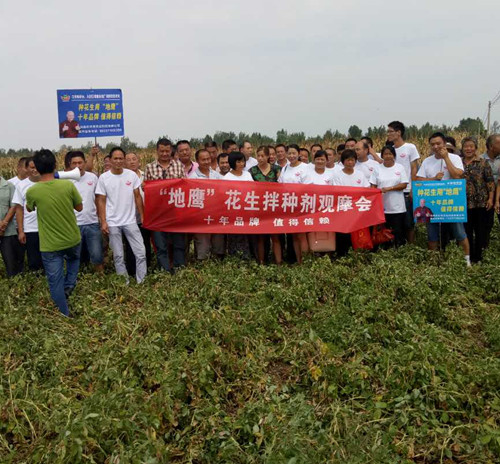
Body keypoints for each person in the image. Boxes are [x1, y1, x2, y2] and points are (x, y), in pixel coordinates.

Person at [25, 149, 83, 317]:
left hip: (50, 245)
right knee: (74, 259)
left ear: (35, 167)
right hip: (72, 239)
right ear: (55, 165)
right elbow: (79, 207)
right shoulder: (68, 185)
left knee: (54, 280)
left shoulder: (33, 190)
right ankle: (70, 285)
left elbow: (29, 208)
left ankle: (64, 313)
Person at [416, 132, 471, 265]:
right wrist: (433, 179)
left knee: (459, 232)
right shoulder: (427, 161)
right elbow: (418, 179)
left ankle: (467, 261)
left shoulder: (455, 158)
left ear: (444, 143)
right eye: (433, 144)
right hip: (433, 203)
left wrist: (446, 158)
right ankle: (433, 261)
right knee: (432, 234)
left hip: (452, 202)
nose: (436, 146)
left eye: (438, 143)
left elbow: (458, 175)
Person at [96, 147, 147, 283]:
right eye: (115, 158)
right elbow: (101, 200)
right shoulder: (104, 178)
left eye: (120, 158)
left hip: (130, 221)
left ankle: (141, 280)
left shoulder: (131, 176)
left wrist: (142, 216)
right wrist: (103, 221)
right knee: (118, 255)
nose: (118, 161)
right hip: (113, 223)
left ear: (124, 160)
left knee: (141, 252)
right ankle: (124, 282)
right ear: (110, 160)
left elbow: (137, 197)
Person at [144, 138, 186, 273]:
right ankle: (165, 270)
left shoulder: (179, 166)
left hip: (175, 212)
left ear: (171, 151)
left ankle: (179, 268)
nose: (164, 154)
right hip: (157, 213)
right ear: (157, 151)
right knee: (160, 245)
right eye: (161, 151)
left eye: (167, 151)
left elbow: (186, 186)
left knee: (179, 243)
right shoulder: (149, 167)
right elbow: (145, 188)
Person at [66, 151, 104, 272]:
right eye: (74, 163)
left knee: (97, 255)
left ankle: (101, 279)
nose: (78, 165)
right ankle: (76, 280)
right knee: (74, 256)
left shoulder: (92, 177)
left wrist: (102, 218)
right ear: (70, 165)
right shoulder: (65, 180)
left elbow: (99, 198)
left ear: (85, 163)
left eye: (80, 162)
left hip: (92, 223)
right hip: (73, 225)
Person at [461, 137, 495, 263]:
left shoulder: (483, 162)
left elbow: (490, 182)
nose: (468, 149)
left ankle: (478, 257)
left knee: (480, 231)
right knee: (467, 231)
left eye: (471, 146)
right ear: (462, 148)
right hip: (464, 203)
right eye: (466, 146)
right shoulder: (458, 162)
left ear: (475, 148)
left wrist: (491, 199)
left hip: (481, 202)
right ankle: (468, 257)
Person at [387, 121, 421, 243]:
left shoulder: (410, 147)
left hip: (406, 190)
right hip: (391, 191)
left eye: (390, 131)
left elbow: (414, 168)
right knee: (395, 222)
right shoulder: (390, 150)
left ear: (399, 132)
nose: (388, 134)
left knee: (408, 222)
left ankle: (411, 246)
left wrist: (413, 188)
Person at [189, 149, 226, 260]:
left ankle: (218, 262)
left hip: (216, 214)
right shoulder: (193, 178)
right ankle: (202, 264)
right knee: (202, 244)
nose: (206, 161)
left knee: (218, 241)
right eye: (203, 159)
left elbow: (225, 191)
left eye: (208, 159)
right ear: (197, 161)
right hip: (201, 216)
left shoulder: (217, 175)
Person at [332, 149, 370, 256]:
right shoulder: (337, 175)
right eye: (347, 160)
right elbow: (338, 192)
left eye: (352, 160)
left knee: (358, 235)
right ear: (343, 161)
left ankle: (358, 255)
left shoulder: (360, 174)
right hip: (343, 210)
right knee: (343, 235)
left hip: (357, 211)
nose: (350, 163)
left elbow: (366, 190)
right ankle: (342, 256)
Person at [369, 145, 409, 247]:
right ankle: (386, 251)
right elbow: (373, 185)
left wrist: (390, 188)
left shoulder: (399, 167)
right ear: (382, 155)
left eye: (390, 154)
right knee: (384, 232)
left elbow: (404, 184)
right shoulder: (377, 169)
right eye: (385, 154)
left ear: (394, 155)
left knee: (397, 231)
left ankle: (398, 251)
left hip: (397, 207)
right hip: (382, 207)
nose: (388, 156)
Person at [249, 146, 282, 264]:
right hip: (259, 208)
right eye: (258, 156)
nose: (260, 158)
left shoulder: (277, 169)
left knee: (275, 237)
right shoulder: (252, 171)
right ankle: (261, 262)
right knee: (260, 238)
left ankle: (278, 263)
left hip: (274, 207)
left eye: (263, 156)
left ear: (268, 156)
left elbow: (283, 187)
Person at [279, 144, 309, 264]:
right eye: (289, 153)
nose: (291, 156)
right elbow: (280, 185)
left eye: (294, 153)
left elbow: (308, 187)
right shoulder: (285, 168)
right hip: (288, 205)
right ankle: (298, 260)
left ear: (298, 154)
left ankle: (306, 260)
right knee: (294, 234)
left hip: (301, 205)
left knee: (302, 235)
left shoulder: (306, 168)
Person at [12, 157, 43, 271]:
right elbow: (19, 209)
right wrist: (21, 231)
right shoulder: (21, 185)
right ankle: (36, 284)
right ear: (27, 169)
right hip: (31, 228)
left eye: (37, 167)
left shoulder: (48, 182)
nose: (35, 170)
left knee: (48, 259)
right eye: (32, 167)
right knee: (34, 261)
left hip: (48, 228)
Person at [221, 152, 254, 259]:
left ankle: (247, 257)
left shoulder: (247, 174)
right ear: (232, 163)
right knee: (234, 235)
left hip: (247, 210)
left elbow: (254, 190)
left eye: (243, 161)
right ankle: (234, 258)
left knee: (247, 236)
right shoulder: (227, 177)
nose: (241, 164)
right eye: (238, 161)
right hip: (233, 212)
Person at [124, 152, 152, 274]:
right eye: (128, 160)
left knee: (145, 243)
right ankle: (132, 270)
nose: (132, 161)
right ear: (125, 163)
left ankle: (148, 267)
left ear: (139, 161)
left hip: (145, 217)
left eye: (134, 159)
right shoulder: (122, 178)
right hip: (129, 218)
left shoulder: (146, 176)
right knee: (130, 246)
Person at [0, 175, 22, 277]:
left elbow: (14, 206)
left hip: (7, 231)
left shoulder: (9, 186)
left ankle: (14, 285)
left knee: (11, 263)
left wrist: (3, 223)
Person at [482, 134, 500, 238]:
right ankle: (485, 246)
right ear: (491, 147)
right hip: (486, 197)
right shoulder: (480, 160)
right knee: (487, 224)